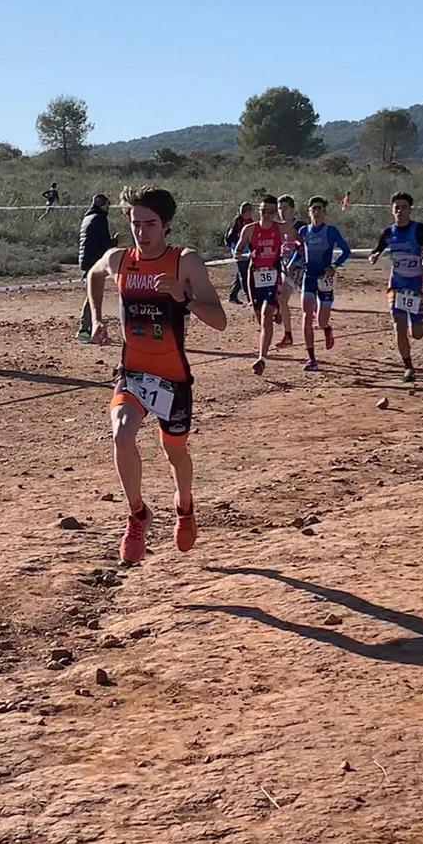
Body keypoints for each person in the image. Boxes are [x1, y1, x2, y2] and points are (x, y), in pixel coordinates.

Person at [87, 185, 226, 563]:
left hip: (172, 377)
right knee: (121, 432)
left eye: (150, 224)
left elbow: (220, 321)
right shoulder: (119, 259)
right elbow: (94, 274)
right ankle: (137, 515)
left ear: (166, 225)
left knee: (174, 452)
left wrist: (184, 299)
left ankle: (184, 505)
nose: (142, 232)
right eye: (135, 223)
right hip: (132, 370)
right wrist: (96, 319)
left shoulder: (186, 262)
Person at [368, 192, 423, 383]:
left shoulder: (419, 229)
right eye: (397, 207)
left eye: (403, 207)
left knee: (417, 333)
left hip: (415, 286)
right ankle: (408, 366)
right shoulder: (388, 232)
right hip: (396, 286)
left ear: (409, 209)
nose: (400, 210)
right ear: (392, 209)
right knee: (398, 326)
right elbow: (377, 248)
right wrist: (374, 256)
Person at [293, 197, 352, 371]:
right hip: (309, 277)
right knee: (306, 315)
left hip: (325, 278)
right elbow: (300, 251)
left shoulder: (331, 231)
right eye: (313, 209)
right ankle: (311, 357)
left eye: (319, 208)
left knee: (321, 320)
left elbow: (346, 251)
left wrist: (334, 266)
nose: (316, 212)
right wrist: (292, 263)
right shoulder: (304, 231)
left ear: (324, 212)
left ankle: (327, 328)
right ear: (309, 212)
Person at [234, 195, 286, 375]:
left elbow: (298, 238)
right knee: (259, 317)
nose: (268, 215)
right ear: (259, 211)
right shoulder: (249, 229)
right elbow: (239, 248)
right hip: (254, 276)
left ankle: (261, 358)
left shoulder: (280, 229)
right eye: (264, 211)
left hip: (273, 275)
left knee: (265, 317)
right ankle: (277, 309)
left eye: (272, 212)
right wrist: (238, 254)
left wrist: (296, 254)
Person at [77, 194, 117, 341]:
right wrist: (117, 241)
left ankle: (85, 330)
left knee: (92, 293)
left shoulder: (88, 217)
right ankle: (84, 330)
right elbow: (106, 243)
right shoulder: (100, 218)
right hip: (93, 260)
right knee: (92, 294)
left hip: (86, 259)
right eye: (108, 204)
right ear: (103, 205)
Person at [275, 194, 306, 347]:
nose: (282, 211)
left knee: (310, 303)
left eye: (285, 208)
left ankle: (324, 325)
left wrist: (293, 263)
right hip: (284, 267)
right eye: (280, 208)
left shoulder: (300, 226)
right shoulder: (279, 227)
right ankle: (288, 335)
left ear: (293, 209)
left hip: (300, 268)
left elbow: (302, 247)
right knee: (281, 299)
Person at [225, 201, 254, 304]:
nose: (250, 213)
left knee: (240, 274)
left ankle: (233, 296)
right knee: (244, 275)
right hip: (239, 252)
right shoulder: (236, 223)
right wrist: (236, 251)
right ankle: (249, 298)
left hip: (248, 252)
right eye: (248, 210)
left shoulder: (251, 222)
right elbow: (230, 239)